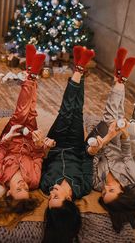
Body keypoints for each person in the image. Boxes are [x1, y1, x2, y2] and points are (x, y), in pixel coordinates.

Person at [0, 45, 54, 223]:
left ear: (8, 193)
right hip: (30, 140)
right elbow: (38, 157)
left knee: (20, 114)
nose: (24, 186)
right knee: (31, 112)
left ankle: (31, 75)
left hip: (11, 136)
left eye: (19, 190)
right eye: (26, 190)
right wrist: (39, 143)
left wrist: (8, 137)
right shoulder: (34, 181)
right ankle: (30, 73)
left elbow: (1, 151)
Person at [40, 46, 95, 243]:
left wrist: (46, 148)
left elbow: (43, 161)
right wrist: (91, 149)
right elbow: (87, 159)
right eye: (56, 197)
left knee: (65, 112)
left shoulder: (45, 185)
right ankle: (80, 69)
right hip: (74, 145)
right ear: (69, 200)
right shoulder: (84, 187)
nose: (51, 193)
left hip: (56, 142)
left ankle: (79, 69)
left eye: (50, 198)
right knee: (77, 112)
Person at [85, 47, 135, 232]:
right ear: (122, 192)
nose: (106, 188)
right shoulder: (130, 178)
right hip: (118, 143)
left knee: (110, 119)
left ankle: (120, 78)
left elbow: (92, 157)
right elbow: (126, 153)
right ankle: (119, 77)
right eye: (111, 190)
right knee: (117, 118)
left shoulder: (96, 184)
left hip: (96, 143)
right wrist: (123, 132)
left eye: (104, 193)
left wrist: (104, 139)